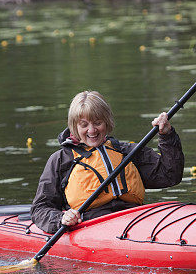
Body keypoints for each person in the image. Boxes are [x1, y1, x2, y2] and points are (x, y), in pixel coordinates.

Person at [31, 90, 184, 233]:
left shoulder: (126, 151)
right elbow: (40, 208)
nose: (92, 130)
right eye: (84, 125)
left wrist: (167, 135)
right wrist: (61, 219)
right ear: (74, 126)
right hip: (91, 225)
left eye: (97, 123)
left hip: (135, 219)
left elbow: (170, 175)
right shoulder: (60, 160)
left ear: (107, 122)